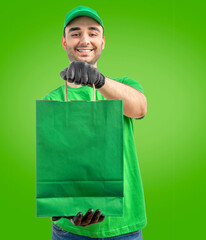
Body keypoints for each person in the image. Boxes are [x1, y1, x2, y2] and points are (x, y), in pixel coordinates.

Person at [41, 6, 147, 240]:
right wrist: (59, 211)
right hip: (70, 232)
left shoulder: (122, 86)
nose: (85, 40)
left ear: (103, 41)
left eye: (93, 33)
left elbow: (139, 108)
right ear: (64, 41)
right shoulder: (53, 100)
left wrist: (98, 80)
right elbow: (54, 165)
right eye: (76, 33)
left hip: (125, 227)